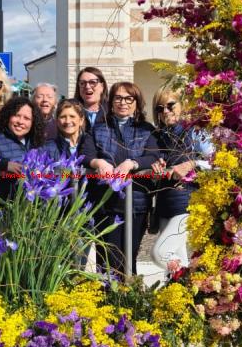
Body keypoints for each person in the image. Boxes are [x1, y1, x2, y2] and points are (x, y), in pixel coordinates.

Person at [83, 81, 159, 276]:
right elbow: (87, 154)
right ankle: (106, 301)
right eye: (118, 98)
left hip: (136, 204)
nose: (123, 102)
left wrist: (132, 163)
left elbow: (154, 156)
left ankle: (127, 301)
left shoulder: (146, 129)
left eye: (128, 98)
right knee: (106, 259)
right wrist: (98, 163)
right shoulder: (99, 129)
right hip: (105, 204)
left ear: (136, 102)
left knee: (128, 259)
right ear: (111, 101)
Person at [149, 86, 212, 269]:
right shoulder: (158, 136)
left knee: (160, 254)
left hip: (187, 204)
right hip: (164, 204)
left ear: (181, 105)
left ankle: (190, 283)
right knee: (177, 263)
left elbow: (216, 162)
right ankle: (184, 290)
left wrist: (193, 164)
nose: (165, 111)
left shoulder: (195, 132)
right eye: (159, 108)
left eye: (170, 105)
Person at [0, 96, 46, 199]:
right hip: (2, 203)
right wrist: (5, 165)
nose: (20, 121)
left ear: (33, 123)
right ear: (7, 116)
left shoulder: (37, 144)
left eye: (26, 118)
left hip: (31, 206)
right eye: (16, 115)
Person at [74, 66, 109, 133]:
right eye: (82, 83)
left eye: (93, 82)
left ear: (102, 86)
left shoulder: (112, 112)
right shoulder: (71, 111)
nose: (87, 86)